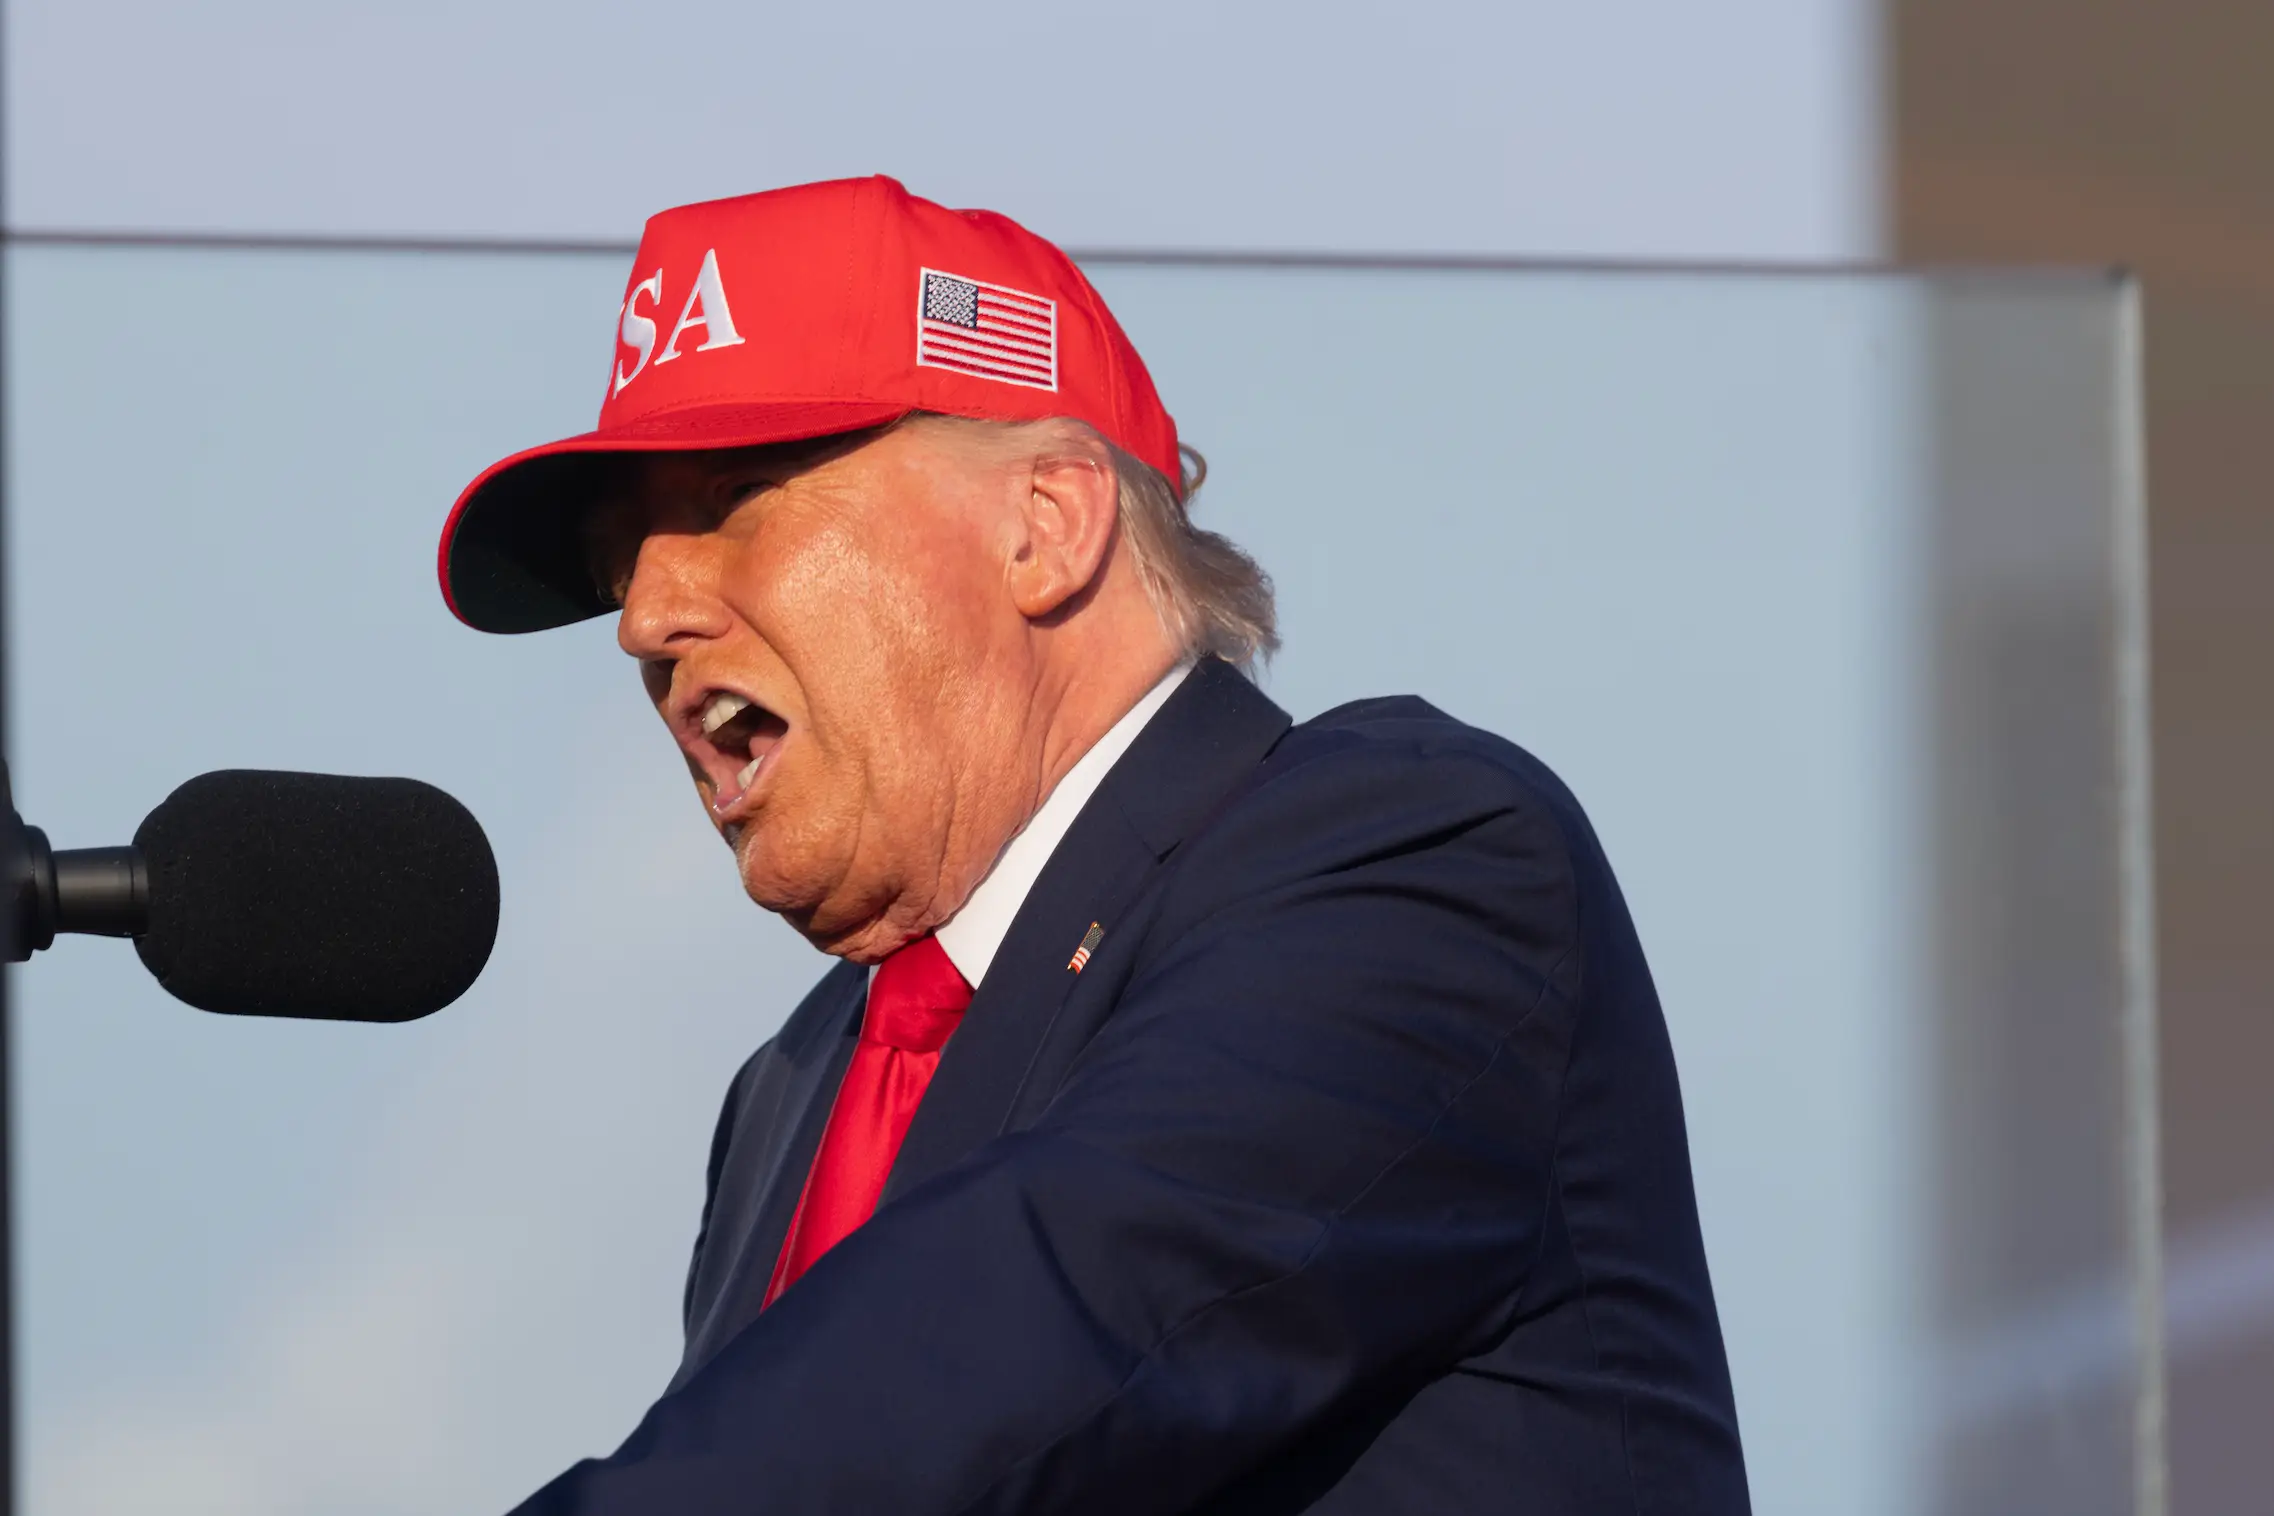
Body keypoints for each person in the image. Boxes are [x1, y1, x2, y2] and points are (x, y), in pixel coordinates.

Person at [438, 175, 1750, 1515]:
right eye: (618, 569)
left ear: (1045, 526)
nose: (644, 618)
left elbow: (1033, 1332)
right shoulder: (794, 1083)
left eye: (732, 500)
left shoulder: (1415, 864)